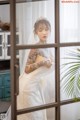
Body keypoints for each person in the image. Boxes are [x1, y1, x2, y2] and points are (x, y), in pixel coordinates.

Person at [17, 18, 54, 120]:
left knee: (38, 112)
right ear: (36, 32)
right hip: (28, 85)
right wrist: (42, 62)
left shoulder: (50, 46)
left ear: (50, 30)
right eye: (40, 30)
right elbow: (27, 69)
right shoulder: (35, 47)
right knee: (32, 115)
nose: (44, 32)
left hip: (36, 84)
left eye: (46, 29)